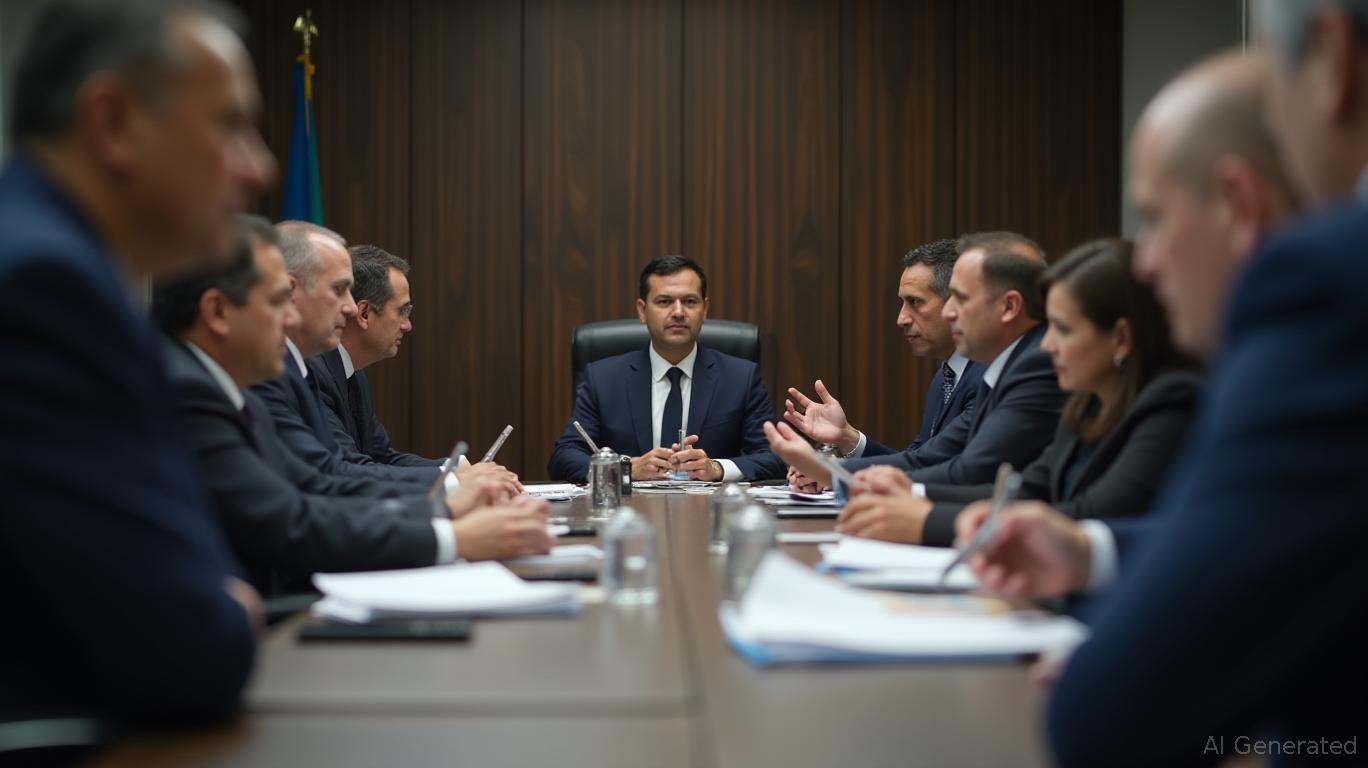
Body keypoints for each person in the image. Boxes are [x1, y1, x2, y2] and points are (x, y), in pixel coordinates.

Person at [961, 48, 1367, 764]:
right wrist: (1090, 554)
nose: (1145, 263)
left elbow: (1107, 718)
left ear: (1239, 205)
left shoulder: (1318, 302)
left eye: (1154, 218)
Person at [0, 0, 274, 725]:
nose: (259, 167)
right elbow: (188, 648)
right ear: (114, 122)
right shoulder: (46, 290)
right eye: (230, 125)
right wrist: (221, 610)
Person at [153, 217, 552, 594]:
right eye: (278, 301)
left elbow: (317, 486)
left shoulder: (227, 386)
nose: (290, 318)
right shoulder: (190, 394)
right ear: (218, 312)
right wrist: (451, 532)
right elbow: (295, 521)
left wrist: (445, 505)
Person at [838, 239, 1202, 546]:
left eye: (1063, 329)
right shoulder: (1085, 404)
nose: (1048, 344)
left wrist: (925, 519)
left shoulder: (1171, 404)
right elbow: (1027, 491)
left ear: (1120, 339)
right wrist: (912, 494)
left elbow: (1087, 518)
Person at [766, 233, 1066, 544]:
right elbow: (925, 457)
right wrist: (837, 462)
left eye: (960, 299)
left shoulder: (1035, 366)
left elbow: (970, 472)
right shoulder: (968, 372)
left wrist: (836, 474)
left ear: (1009, 306)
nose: (950, 313)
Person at [549, 256, 785, 482]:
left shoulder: (740, 378)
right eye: (664, 301)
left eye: (690, 301)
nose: (679, 312)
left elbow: (777, 456)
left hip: (710, 507)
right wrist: (625, 468)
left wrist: (717, 468)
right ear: (642, 311)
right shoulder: (603, 379)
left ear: (705, 309)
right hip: (630, 508)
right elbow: (564, 457)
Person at [780, 239, 984, 489]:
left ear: (957, 302)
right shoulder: (946, 375)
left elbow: (935, 467)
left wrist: (833, 472)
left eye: (915, 302)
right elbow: (917, 458)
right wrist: (846, 437)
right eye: (902, 303)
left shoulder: (986, 376)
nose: (901, 318)